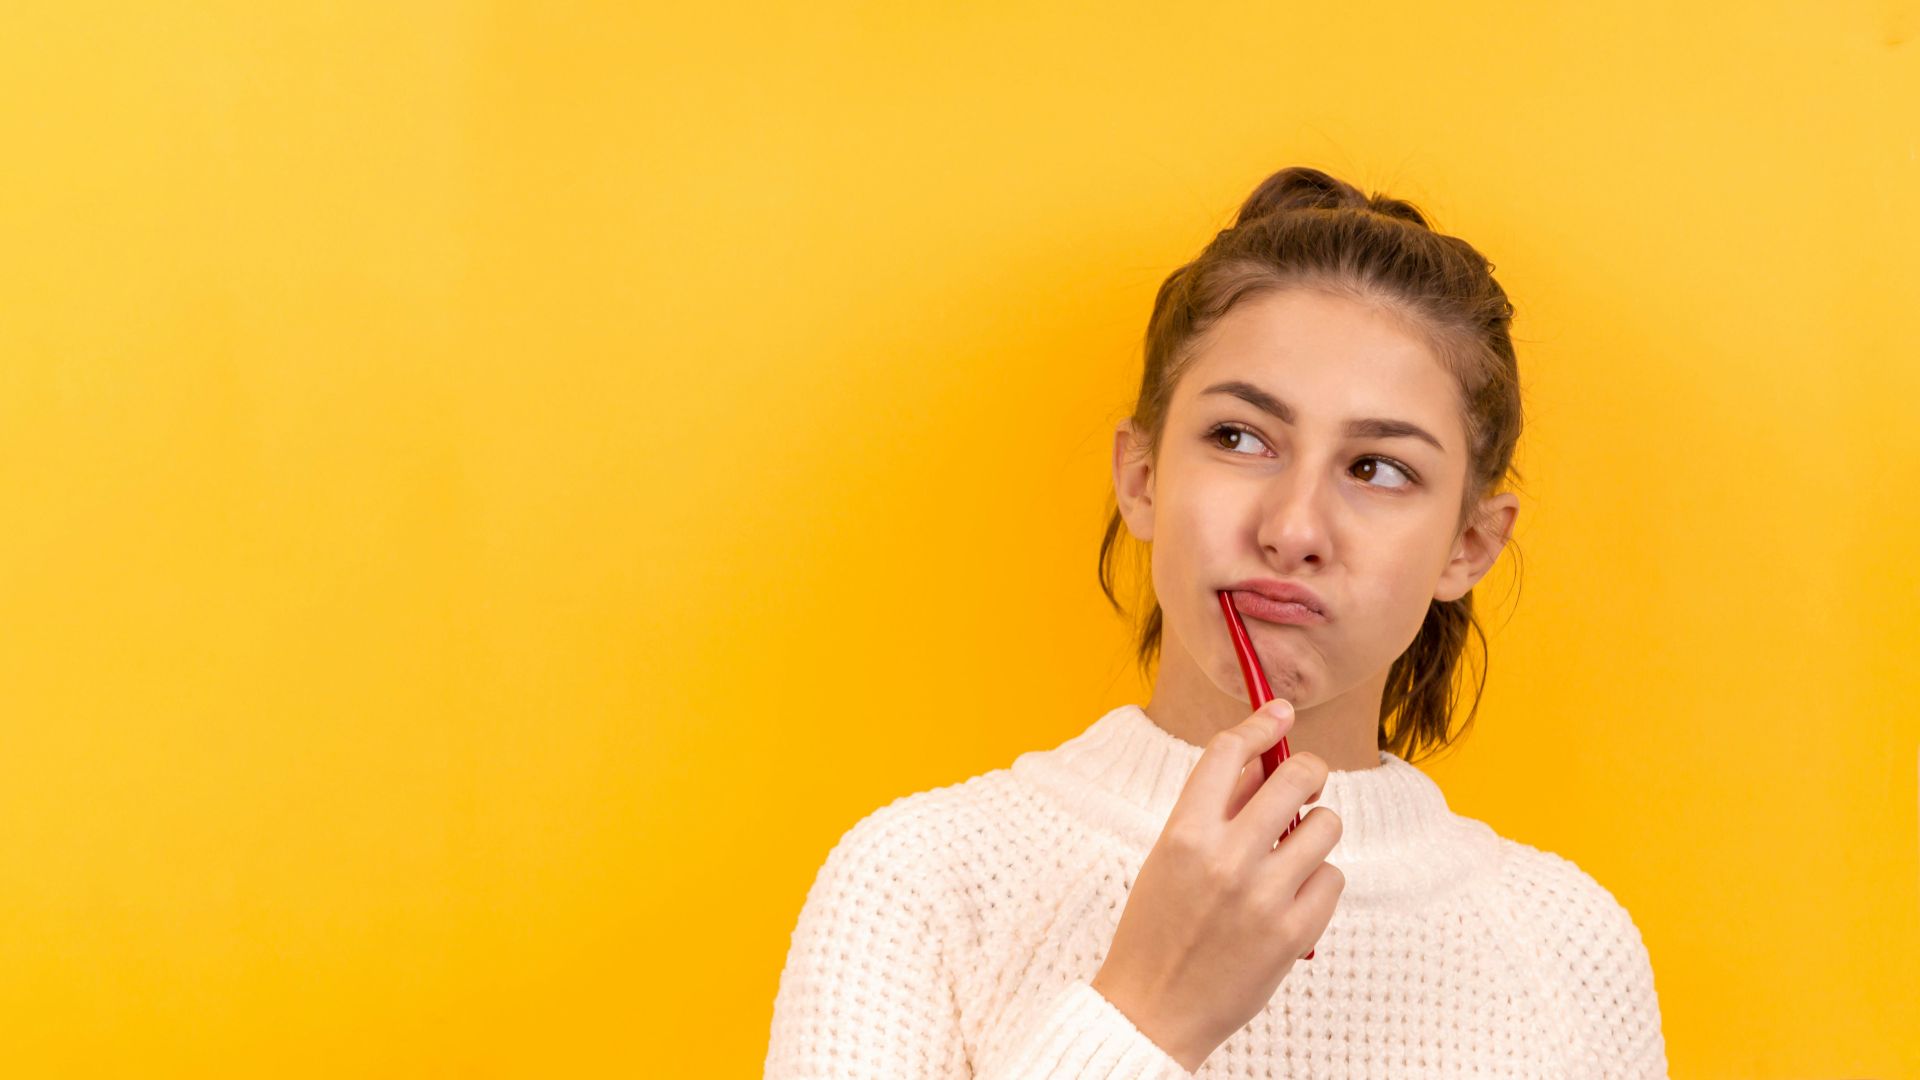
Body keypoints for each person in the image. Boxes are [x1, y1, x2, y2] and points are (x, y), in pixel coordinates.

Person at [762, 166, 1668, 1078]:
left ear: (1469, 545)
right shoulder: (920, 886)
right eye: (1240, 438)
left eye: (1379, 469)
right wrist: (1148, 1015)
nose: (1293, 530)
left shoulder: (1571, 951)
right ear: (1143, 477)